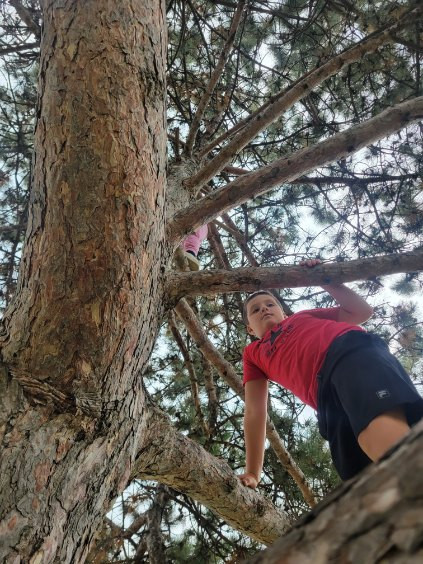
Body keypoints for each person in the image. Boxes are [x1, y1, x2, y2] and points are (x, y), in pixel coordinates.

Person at [239, 259, 423, 487]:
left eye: (270, 304)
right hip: (326, 400)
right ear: (250, 328)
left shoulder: (302, 317)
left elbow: (361, 311)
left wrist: (324, 279)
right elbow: (254, 412)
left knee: (379, 427)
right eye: (255, 310)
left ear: (283, 312)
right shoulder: (253, 354)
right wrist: (253, 473)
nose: (264, 309)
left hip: (350, 354)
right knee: (360, 471)